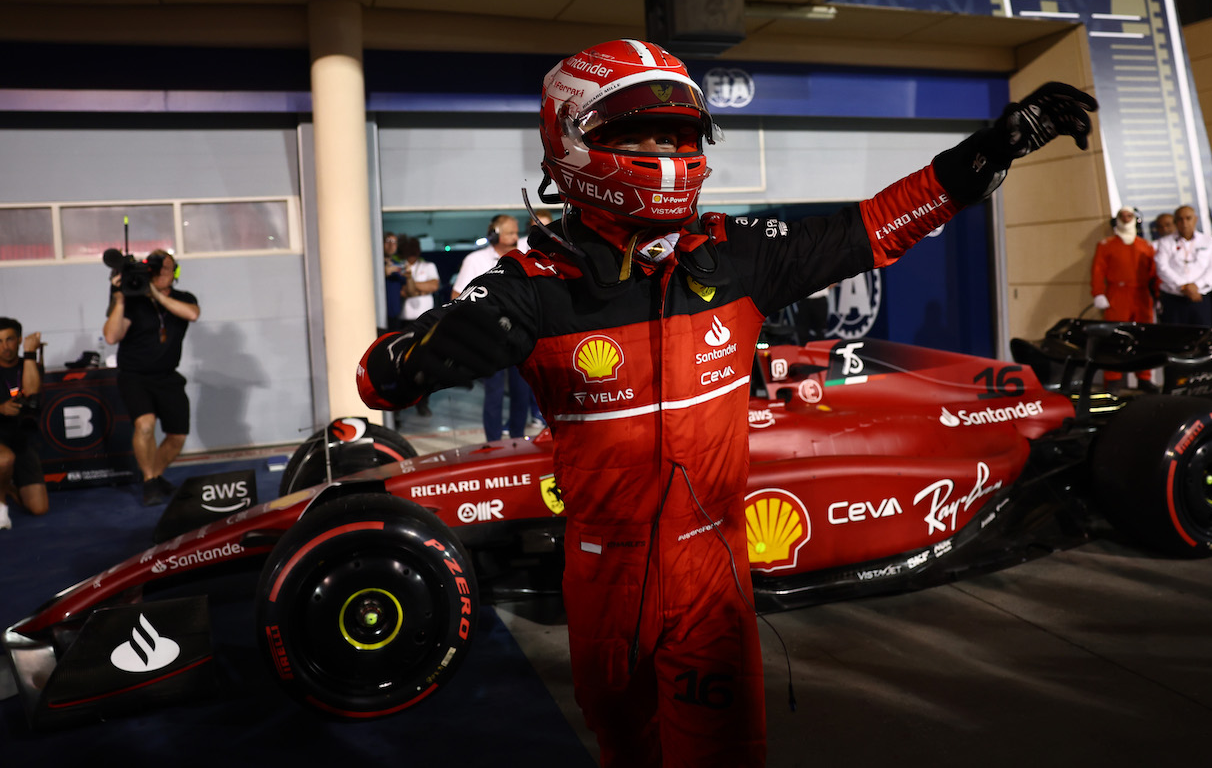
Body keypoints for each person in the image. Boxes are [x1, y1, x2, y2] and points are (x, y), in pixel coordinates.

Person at [356, 39, 1096, 767]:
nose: (664, 151)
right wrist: (424, 352)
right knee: (628, 750)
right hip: (603, 577)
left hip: (712, 568)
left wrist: (995, 147)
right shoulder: (530, 284)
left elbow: (878, 224)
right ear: (572, 138)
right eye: (636, 132)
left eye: (678, 133)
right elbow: (377, 379)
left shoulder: (740, 255)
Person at [103, 250, 200, 506]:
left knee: (177, 436)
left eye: (166, 268)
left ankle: (154, 477)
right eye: (155, 269)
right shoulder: (132, 300)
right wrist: (120, 299)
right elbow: (112, 336)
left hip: (168, 377)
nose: (160, 273)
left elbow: (192, 314)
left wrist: (155, 295)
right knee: (144, 425)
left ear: (175, 272)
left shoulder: (184, 298)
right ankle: (149, 482)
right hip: (135, 376)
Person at [452, 214, 532, 440]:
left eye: (517, 232)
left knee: (522, 392)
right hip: (489, 336)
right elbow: (457, 296)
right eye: (510, 233)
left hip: (521, 333)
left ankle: (518, 438)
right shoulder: (474, 260)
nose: (516, 237)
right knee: (494, 392)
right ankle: (494, 444)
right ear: (494, 234)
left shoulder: (525, 257)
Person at [1090, 206, 1159, 391]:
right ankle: (1113, 378)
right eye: (1123, 216)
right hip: (1117, 294)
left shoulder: (1145, 246)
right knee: (1114, 337)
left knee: (1143, 338)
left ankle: (1144, 377)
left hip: (1142, 295)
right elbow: (1098, 270)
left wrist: (1159, 296)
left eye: (1130, 216)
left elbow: (1154, 274)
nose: (1126, 219)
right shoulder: (1106, 245)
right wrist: (1098, 293)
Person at [0, 318, 48, 529]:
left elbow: (31, 393)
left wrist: (29, 353)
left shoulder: (30, 364)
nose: (4, 347)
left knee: (39, 508)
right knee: (4, 460)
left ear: (19, 340)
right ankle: (1, 505)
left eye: (10, 339)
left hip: (22, 439)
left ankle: (8, 486)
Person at [1154, 205, 1212, 326]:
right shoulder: (1165, 243)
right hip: (1174, 298)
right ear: (1175, 222)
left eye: (1188, 218)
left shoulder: (1209, 241)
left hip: (1199, 297)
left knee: (1202, 338)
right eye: (1180, 219)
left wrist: (1196, 286)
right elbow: (1162, 267)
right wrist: (1184, 286)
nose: (1184, 223)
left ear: (1195, 219)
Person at [398, 234, 440, 417]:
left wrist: (413, 285)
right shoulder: (399, 268)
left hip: (427, 320)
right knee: (404, 363)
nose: (412, 256)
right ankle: (403, 403)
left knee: (427, 363)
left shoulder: (428, 266)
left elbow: (433, 286)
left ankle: (423, 403)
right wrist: (415, 287)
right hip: (406, 320)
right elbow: (405, 291)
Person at [383, 232, 406, 331]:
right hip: (379, 315)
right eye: (388, 241)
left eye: (394, 242)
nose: (391, 245)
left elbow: (408, 290)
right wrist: (384, 272)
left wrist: (409, 277)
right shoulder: (374, 263)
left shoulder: (398, 266)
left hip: (395, 315)